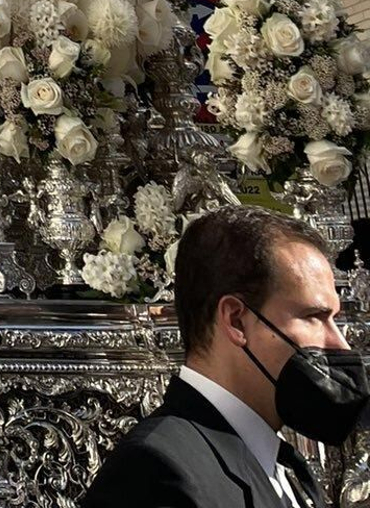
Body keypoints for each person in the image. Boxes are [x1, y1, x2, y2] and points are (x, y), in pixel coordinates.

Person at [80, 205, 369, 507]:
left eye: (334, 319)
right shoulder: (154, 471)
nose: (340, 345)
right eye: (314, 316)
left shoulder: (285, 462)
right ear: (235, 320)